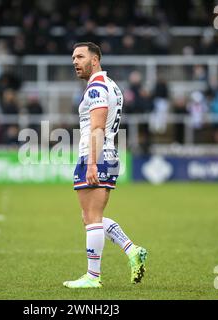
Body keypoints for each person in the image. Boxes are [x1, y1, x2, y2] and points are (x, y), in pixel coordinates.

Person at [63, 42, 148, 289]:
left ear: (95, 59)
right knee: (90, 217)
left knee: (92, 218)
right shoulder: (111, 85)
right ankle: (133, 250)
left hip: (97, 155)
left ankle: (93, 276)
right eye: (73, 58)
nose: (75, 62)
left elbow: (98, 126)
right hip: (106, 154)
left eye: (80, 56)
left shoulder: (97, 87)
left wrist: (91, 163)